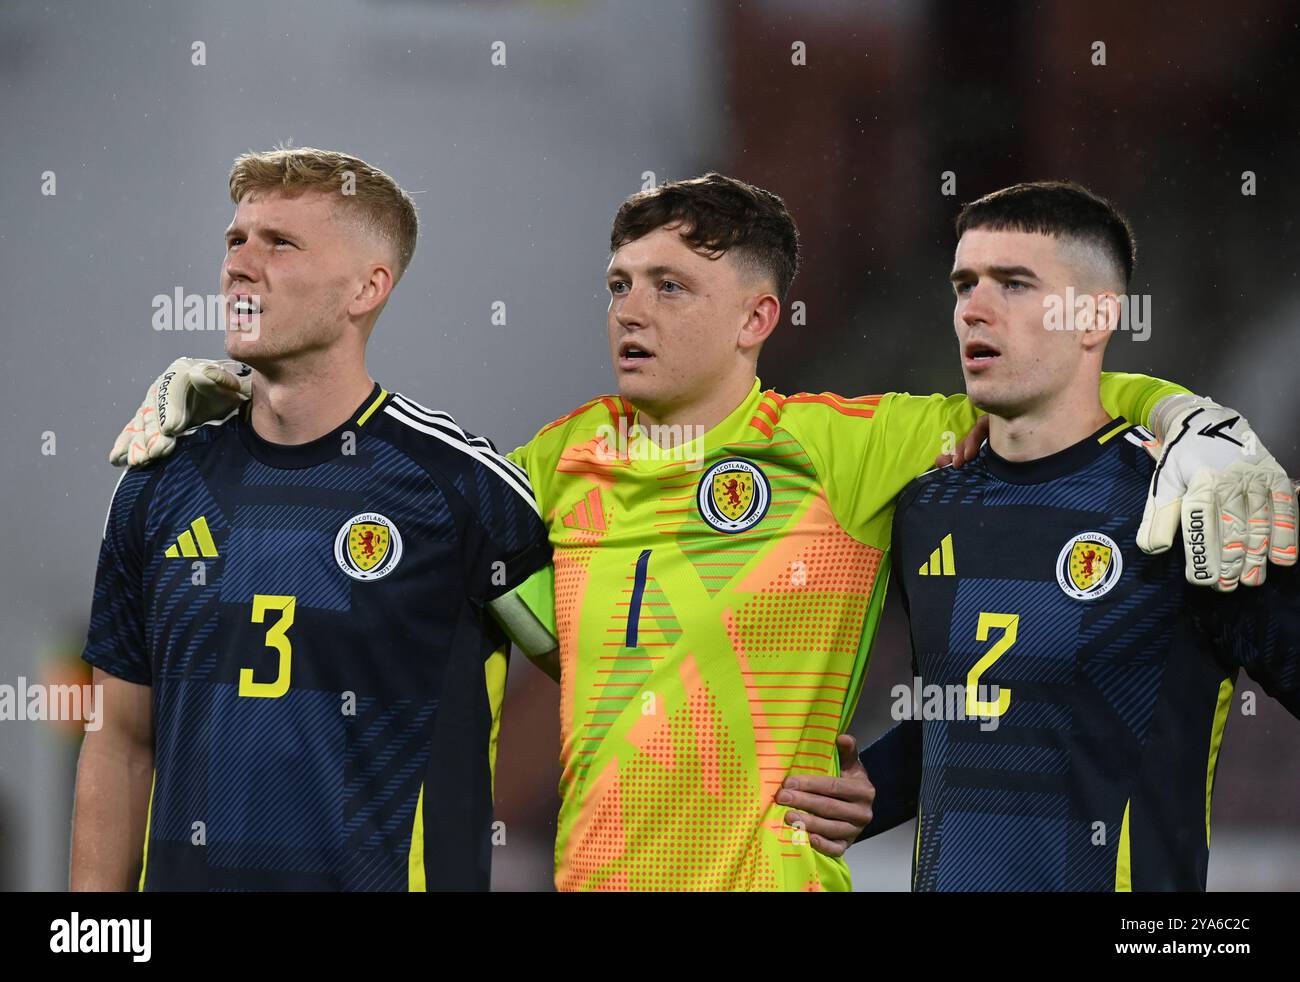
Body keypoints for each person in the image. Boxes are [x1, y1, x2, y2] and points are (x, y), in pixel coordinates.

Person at [108, 174, 1291, 891]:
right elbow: (376, 495)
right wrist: (249, 398)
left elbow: (1055, 408)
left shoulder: (859, 447)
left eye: (670, 285)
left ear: (757, 318)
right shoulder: (547, 465)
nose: (630, 306)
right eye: (619, 281)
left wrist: (1195, 417)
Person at [72, 148, 553, 891]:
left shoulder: (461, 490)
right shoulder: (158, 481)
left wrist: (795, 764)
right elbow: (120, 745)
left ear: (368, 287)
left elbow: (614, 679)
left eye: (280, 243)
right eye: (236, 240)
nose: (240, 263)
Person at [853, 180, 1298, 890]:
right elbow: (980, 711)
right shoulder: (929, 507)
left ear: (1095, 317)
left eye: (1015, 284)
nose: (975, 308)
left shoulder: (1188, 503)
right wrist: (866, 789)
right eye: (964, 284)